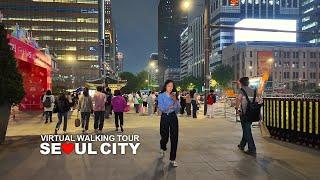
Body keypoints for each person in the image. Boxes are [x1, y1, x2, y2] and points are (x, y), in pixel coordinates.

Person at [158, 80, 180, 167]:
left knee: (174, 137)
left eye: (171, 86)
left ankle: (172, 159)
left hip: (173, 117)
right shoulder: (161, 95)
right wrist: (169, 107)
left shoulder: (174, 96)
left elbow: (178, 110)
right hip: (164, 117)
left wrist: (175, 101)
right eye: (168, 86)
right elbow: (162, 108)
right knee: (164, 136)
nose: (170, 88)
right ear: (165, 86)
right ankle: (162, 146)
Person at [235, 77, 256, 155]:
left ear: (241, 83)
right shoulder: (253, 90)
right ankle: (242, 144)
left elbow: (238, 100)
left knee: (247, 130)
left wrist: (237, 109)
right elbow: (258, 100)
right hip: (252, 112)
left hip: (244, 113)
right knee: (246, 128)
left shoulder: (241, 90)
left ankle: (252, 148)